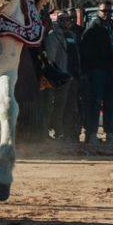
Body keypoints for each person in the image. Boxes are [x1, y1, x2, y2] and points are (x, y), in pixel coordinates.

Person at [80, 1, 113, 144]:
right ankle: (91, 133)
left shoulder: (109, 28)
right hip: (96, 72)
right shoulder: (92, 29)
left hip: (107, 71)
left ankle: (109, 132)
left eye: (109, 11)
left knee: (109, 103)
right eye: (104, 11)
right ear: (98, 12)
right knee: (94, 103)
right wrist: (88, 72)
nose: (106, 14)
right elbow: (85, 53)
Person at [44, 11, 81, 141]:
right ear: (57, 21)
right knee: (59, 106)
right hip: (61, 76)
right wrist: (58, 74)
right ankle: (58, 132)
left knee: (71, 107)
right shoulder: (53, 37)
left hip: (73, 75)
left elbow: (75, 55)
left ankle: (69, 133)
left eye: (68, 19)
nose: (66, 21)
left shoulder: (72, 35)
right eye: (62, 19)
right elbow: (51, 58)